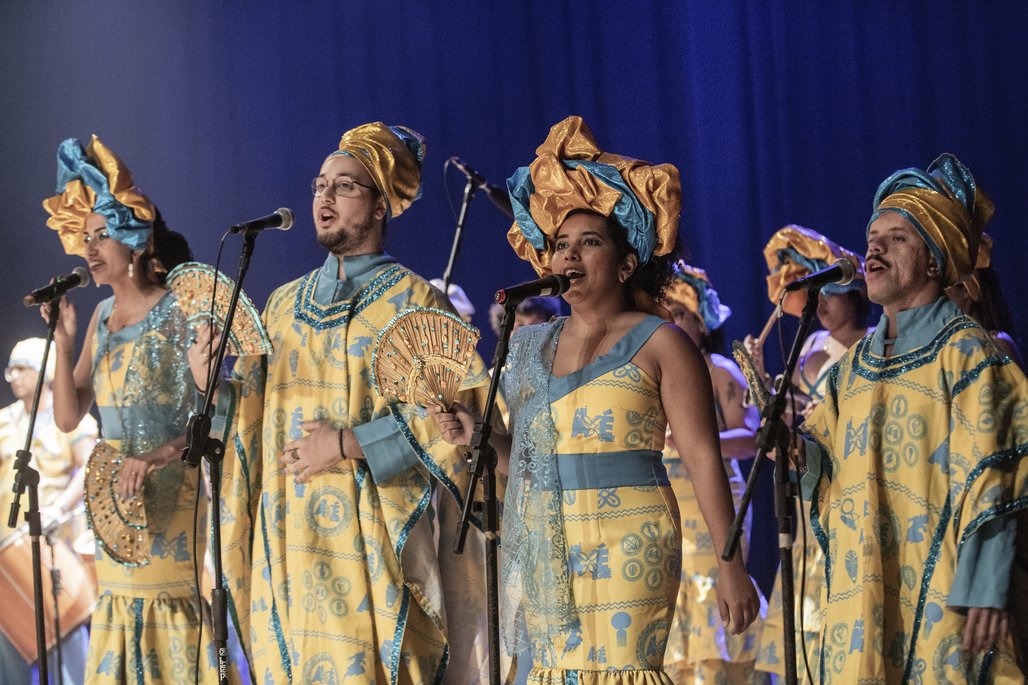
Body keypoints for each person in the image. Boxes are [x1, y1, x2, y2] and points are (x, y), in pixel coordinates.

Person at [430, 116, 759, 684]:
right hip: (549, 543)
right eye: (560, 245)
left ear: (626, 262)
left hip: (633, 539)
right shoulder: (532, 345)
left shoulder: (663, 342)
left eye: (590, 242)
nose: (570, 256)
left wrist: (731, 564)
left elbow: (704, 458)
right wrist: (477, 435)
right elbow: (532, 462)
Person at [191, 122, 492, 684]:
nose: (323, 198)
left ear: (381, 205)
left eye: (345, 186)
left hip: (370, 541)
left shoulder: (414, 300)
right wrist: (215, 385)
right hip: (285, 539)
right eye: (319, 185)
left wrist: (348, 443)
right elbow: (250, 427)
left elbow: (453, 425)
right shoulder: (280, 306)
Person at [797, 154, 1028, 682]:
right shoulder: (850, 369)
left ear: (933, 261)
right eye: (872, 236)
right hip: (867, 595)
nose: (873, 248)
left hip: (950, 592)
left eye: (896, 237)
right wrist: (798, 456)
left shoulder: (966, 354)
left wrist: (986, 584)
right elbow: (829, 469)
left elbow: (996, 470)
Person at [41, 135, 229, 683]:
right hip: (112, 502)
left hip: (171, 489)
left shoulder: (182, 308)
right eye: (87, 237)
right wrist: (63, 342)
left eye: (102, 236)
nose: (91, 248)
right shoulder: (100, 318)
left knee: (169, 613)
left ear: (135, 240)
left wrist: (156, 455)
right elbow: (67, 416)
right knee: (119, 609)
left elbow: (211, 414)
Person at [744, 226, 872, 682]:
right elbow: (794, 413)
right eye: (817, 299)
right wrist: (762, 377)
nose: (821, 308)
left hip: (855, 472)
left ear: (855, 295)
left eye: (831, 297)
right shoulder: (811, 348)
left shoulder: (874, 344)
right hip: (814, 474)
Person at [660, 263, 769, 684]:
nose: (672, 320)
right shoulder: (659, 367)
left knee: (710, 578)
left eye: (682, 314)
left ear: (701, 322)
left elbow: (752, 434)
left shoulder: (719, 370)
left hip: (715, 487)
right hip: (669, 492)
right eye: (667, 311)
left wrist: (694, 441)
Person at [0, 337, 97, 683]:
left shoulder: (70, 417)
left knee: (64, 628)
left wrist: (58, 509)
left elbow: (88, 468)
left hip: (58, 541)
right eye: (10, 369)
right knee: (11, 634)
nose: (11, 377)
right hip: (11, 546)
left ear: (42, 372)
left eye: (20, 369)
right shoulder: (4, 421)